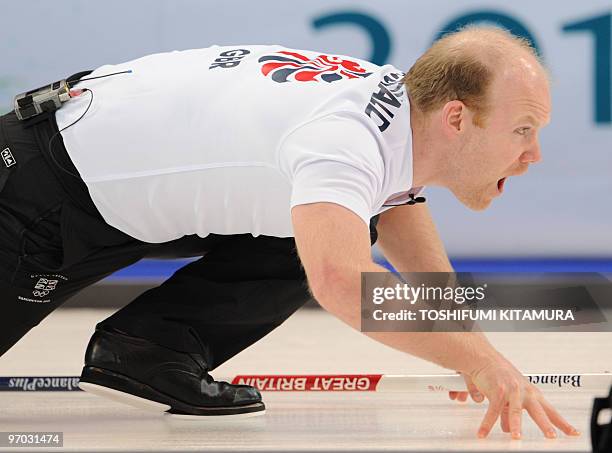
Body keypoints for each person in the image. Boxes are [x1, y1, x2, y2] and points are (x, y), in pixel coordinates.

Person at [0, 25, 579, 437]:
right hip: (37, 188)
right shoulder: (346, 139)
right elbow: (341, 282)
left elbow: (395, 203)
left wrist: (458, 333)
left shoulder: (392, 111)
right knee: (333, 248)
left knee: (343, 223)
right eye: (522, 130)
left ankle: (148, 352)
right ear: (456, 118)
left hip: (103, 176)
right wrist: (480, 361)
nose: (533, 155)